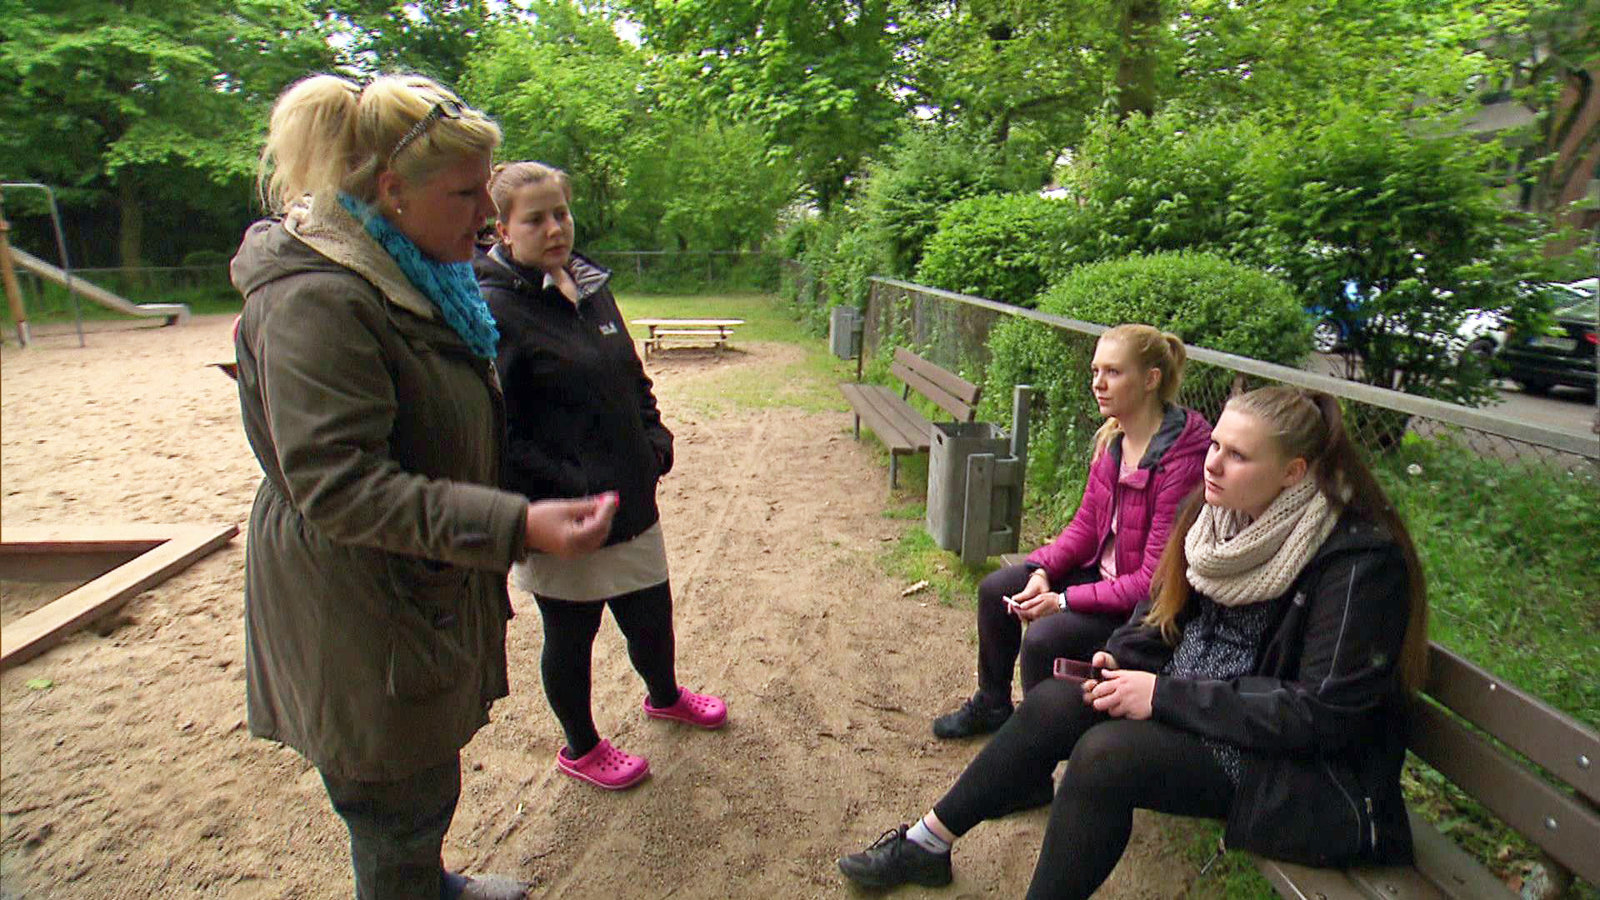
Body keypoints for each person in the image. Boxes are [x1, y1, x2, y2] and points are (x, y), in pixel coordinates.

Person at [232, 74, 619, 900]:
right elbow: (340, 486)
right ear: (390, 191)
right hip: (358, 605)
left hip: (406, 588)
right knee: (394, 805)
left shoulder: (410, 275)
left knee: (418, 783)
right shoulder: (322, 301)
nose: (486, 212)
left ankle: (428, 882)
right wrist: (515, 524)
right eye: (465, 193)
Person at [840, 385, 1429, 898]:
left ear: (1294, 473)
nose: (1213, 464)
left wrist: (1161, 696)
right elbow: (1160, 610)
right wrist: (1121, 656)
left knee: (1105, 759)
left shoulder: (1357, 562)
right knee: (1055, 700)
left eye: (1238, 455)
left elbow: (1322, 716)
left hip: (1288, 762)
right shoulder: (1215, 514)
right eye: (1215, 445)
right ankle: (928, 842)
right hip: (1196, 702)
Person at [474, 161, 727, 792]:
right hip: (564, 514)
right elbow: (500, 431)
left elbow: (631, 377)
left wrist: (654, 440)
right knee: (571, 634)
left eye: (561, 213)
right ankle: (581, 747)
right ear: (503, 230)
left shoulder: (590, 286)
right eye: (535, 219)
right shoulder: (494, 308)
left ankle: (664, 696)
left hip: (631, 497)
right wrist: (569, 487)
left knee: (651, 614)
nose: (554, 228)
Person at [933, 324, 1210, 744]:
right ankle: (993, 704)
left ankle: (1037, 752)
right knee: (996, 591)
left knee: (1043, 639)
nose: (1098, 383)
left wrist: (1062, 601)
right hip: (1101, 577)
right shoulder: (1113, 441)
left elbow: (1151, 582)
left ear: (1151, 379)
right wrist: (1042, 572)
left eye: (1113, 372)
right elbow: (1084, 527)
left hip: (1143, 609)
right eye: (1095, 371)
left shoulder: (1182, 461)